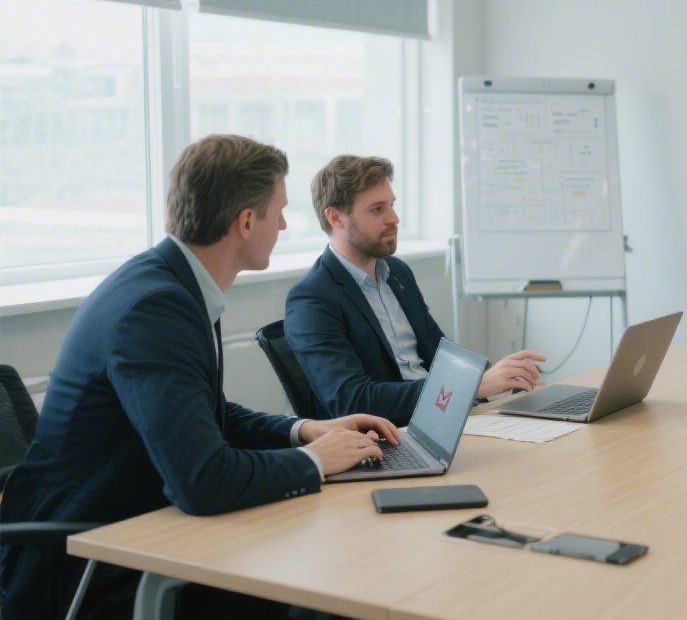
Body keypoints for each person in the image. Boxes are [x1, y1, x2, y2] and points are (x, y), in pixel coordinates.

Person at [0, 135, 398, 619]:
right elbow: (203, 481)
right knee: (320, 593)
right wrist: (315, 461)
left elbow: (208, 414)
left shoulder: (173, 283)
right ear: (246, 222)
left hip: (137, 527)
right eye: (278, 212)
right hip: (86, 563)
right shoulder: (156, 307)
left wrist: (303, 431)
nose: (285, 225)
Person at [286, 155, 545, 427]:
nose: (394, 218)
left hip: (442, 418)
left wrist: (500, 378)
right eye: (377, 209)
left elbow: (441, 354)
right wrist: (471, 386)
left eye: (392, 205)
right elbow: (354, 401)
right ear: (335, 217)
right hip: (392, 435)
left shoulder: (396, 273)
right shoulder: (311, 299)